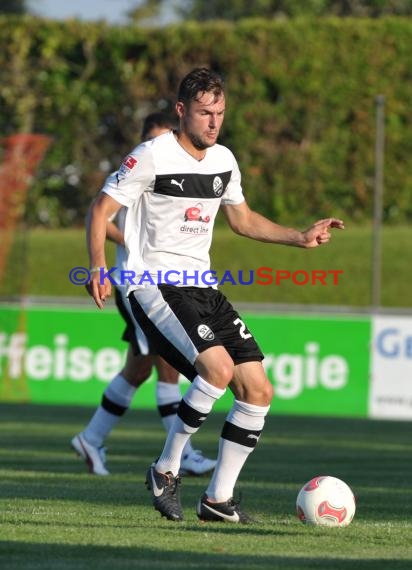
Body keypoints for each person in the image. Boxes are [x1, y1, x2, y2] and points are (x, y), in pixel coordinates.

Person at [86, 68, 344, 523]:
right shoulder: (151, 155)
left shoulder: (224, 159)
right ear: (182, 111)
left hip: (202, 287)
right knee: (218, 369)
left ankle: (218, 498)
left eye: (220, 113)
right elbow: (100, 207)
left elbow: (242, 220)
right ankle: (166, 468)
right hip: (156, 285)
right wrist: (96, 266)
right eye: (205, 112)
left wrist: (299, 237)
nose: (213, 122)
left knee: (258, 390)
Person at [71, 112, 217, 477]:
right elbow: (98, 216)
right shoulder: (137, 169)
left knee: (138, 368)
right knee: (168, 367)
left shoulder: (175, 174)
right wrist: (120, 249)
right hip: (136, 285)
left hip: (166, 285)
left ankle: (91, 438)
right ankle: (180, 454)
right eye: (155, 136)